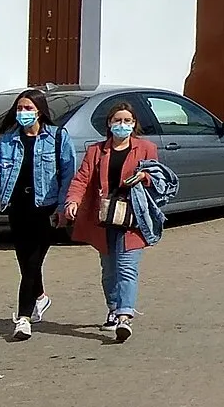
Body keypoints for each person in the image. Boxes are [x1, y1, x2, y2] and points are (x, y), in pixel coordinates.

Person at [0, 88, 74, 340]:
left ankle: (23, 318)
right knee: (25, 261)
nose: (23, 113)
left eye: (28, 108)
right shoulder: (9, 140)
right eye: (20, 108)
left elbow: (68, 175)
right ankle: (40, 296)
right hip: (17, 207)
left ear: (40, 111)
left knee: (32, 262)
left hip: (45, 208)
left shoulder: (57, 137)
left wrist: (64, 206)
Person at [63, 100, 160, 343]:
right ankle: (114, 307)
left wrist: (145, 177)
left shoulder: (146, 148)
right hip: (105, 217)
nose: (122, 125)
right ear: (109, 123)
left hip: (134, 218)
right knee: (109, 271)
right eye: (118, 120)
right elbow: (82, 179)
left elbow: (159, 177)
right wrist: (72, 201)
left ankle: (124, 317)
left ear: (134, 124)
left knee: (127, 268)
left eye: (127, 121)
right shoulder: (96, 150)